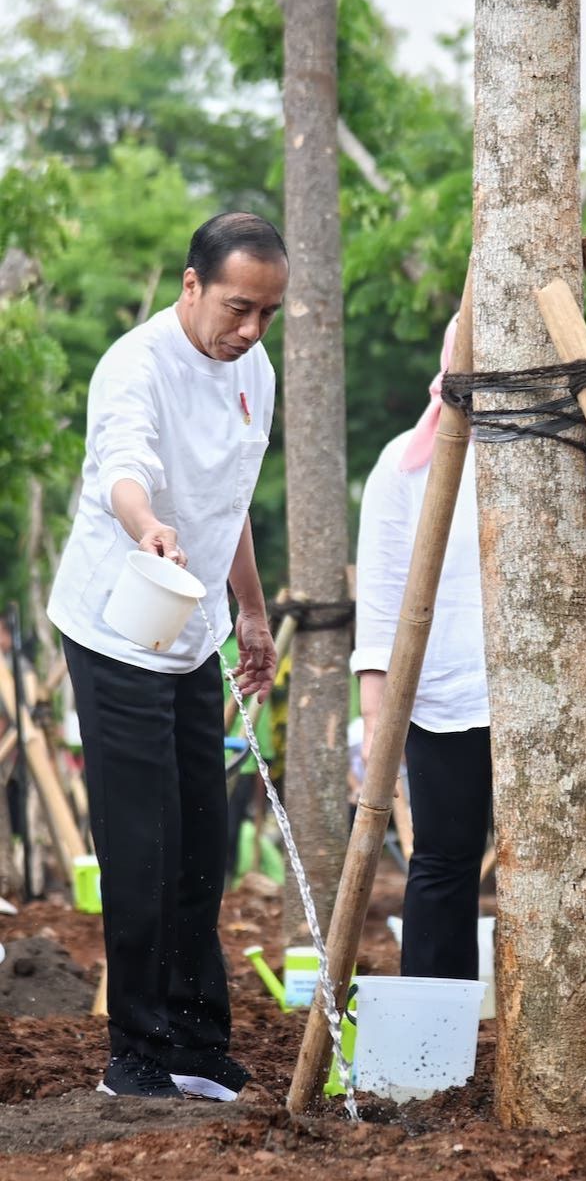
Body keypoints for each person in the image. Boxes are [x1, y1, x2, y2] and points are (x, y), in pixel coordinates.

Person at [47, 212, 289, 1099]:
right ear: (192, 286)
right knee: (141, 843)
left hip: (193, 630)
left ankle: (192, 1040)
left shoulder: (252, 370)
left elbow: (231, 503)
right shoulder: (135, 366)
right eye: (237, 307)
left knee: (199, 840)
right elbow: (124, 468)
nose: (251, 329)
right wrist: (148, 527)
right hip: (119, 622)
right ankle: (135, 1056)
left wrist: (253, 617)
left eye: (268, 312)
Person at [351, 314, 586, 981]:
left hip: (553, 699)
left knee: (559, 865)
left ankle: (557, 1023)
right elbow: (379, 605)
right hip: (441, 701)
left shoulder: (568, 458)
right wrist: (376, 720)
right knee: (444, 862)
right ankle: (438, 1046)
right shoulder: (404, 468)